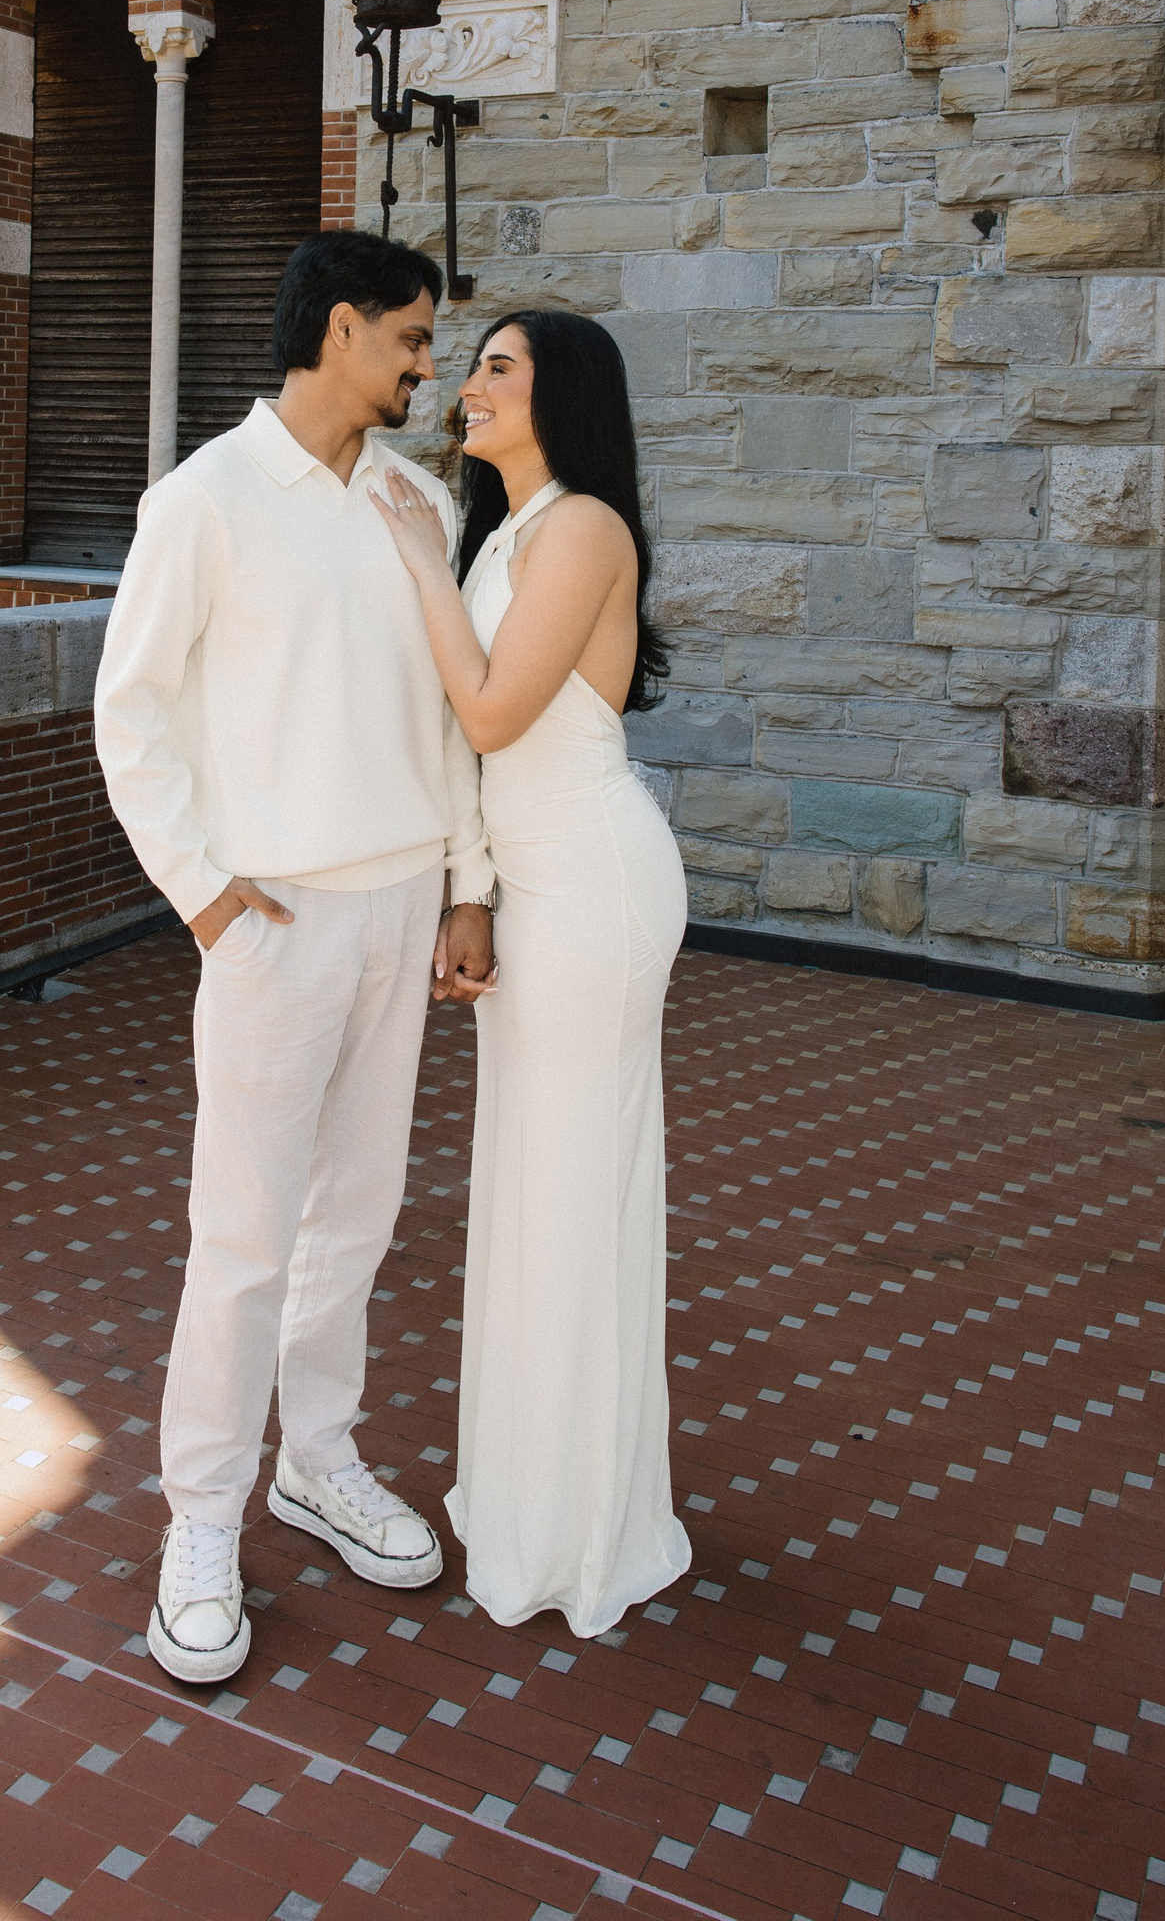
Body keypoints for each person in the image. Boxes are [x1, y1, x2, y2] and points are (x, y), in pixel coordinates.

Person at [93, 230, 498, 1685]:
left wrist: (465, 885)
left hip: (400, 907)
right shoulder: (202, 500)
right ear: (340, 329)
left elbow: (450, 718)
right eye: (411, 338)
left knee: (361, 1216)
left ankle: (318, 1461)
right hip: (270, 922)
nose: (427, 366)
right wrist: (202, 894)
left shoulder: (414, 502)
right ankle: (201, 1520)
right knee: (246, 1236)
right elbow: (130, 712)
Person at [369, 306, 691, 1636]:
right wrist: (475, 892)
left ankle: (579, 1532)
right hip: (535, 884)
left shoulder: (585, 529)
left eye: (499, 367)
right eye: (473, 366)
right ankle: (526, 1495)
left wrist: (419, 564)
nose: (468, 386)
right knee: (527, 1189)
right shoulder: (509, 530)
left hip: (598, 888)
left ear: (565, 395)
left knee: (572, 1194)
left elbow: (495, 714)